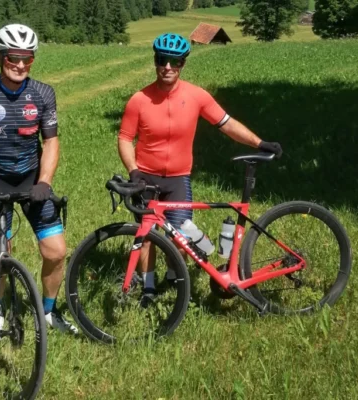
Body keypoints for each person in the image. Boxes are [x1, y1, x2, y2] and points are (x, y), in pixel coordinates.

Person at [118, 33, 283, 305]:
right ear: (155, 61)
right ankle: (148, 288)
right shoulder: (140, 99)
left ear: (182, 63)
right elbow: (125, 137)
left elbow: (227, 123)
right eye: (162, 60)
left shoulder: (196, 96)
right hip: (145, 177)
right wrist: (133, 170)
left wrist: (259, 142)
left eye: (174, 62)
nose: (167, 67)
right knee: (145, 235)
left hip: (178, 178)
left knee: (181, 234)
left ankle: (174, 278)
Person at [0, 24, 77, 340]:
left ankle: (49, 311)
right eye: (13, 57)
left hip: (31, 179)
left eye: (28, 58)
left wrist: (45, 181)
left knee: (55, 251)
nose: (21, 65)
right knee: (1, 255)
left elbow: (51, 142)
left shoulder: (43, 94)